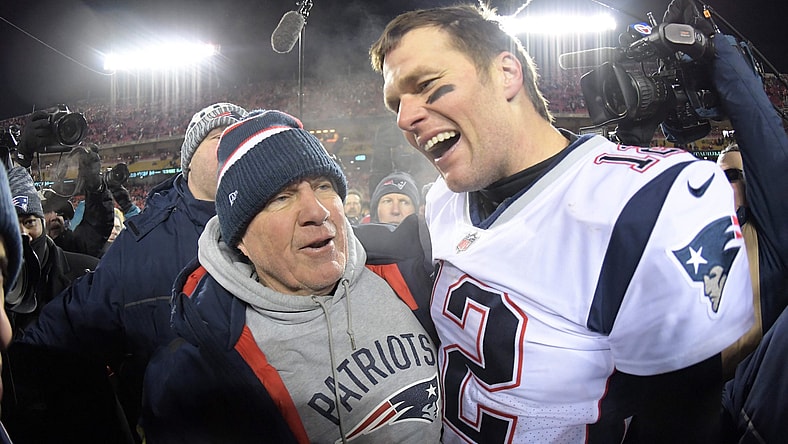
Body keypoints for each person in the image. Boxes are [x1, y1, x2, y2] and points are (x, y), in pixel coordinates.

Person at [370, 4, 753, 442]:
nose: (404, 118)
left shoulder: (643, 202)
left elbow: (682, 422)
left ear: (507, 73)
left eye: (427, 85)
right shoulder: (442, 200)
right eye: (396, 103)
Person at [141, 110, 441, 443]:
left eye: (324, 187)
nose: (317, 211)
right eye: (281, 198)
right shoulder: (199, 373)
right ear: (240, 239)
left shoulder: (406, 262)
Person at [13, 102, 249, 442]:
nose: (235, 144)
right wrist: (10, 361)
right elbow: (69, 324)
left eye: (245, 138)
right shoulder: (142, 244)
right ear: (190, 160)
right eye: (219, 136)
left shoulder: (285, 225)